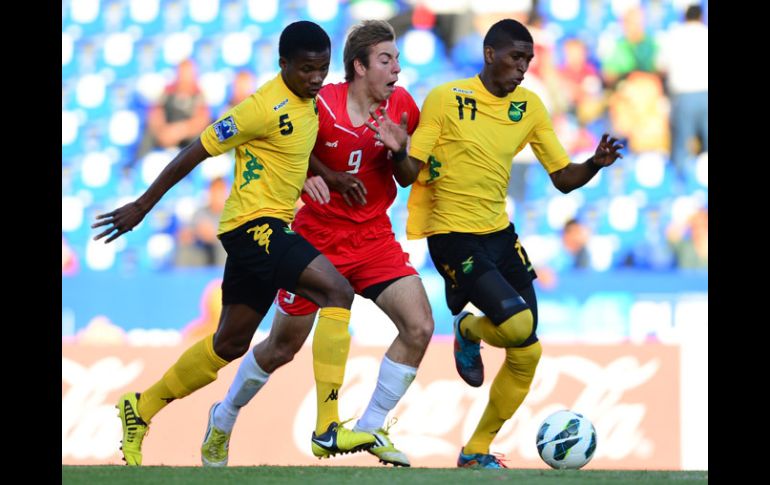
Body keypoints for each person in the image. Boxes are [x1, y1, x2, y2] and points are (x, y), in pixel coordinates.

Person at [91, 21, 374, 466]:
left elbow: (295, 143)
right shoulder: (258, 108)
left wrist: (328, 175)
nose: (317, 78)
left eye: (321, 68)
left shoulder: (307, 101)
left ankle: (140, 408)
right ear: (284, 65)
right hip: (253, 227)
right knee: (336, 290)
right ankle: (328, 426)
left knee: (230, 343)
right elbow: (195, 151)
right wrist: (143, 206)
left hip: (265, 231)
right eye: (307, 70)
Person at [200, 20, 433, 468]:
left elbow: (408, 178)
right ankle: (224, 415)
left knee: (419, 325)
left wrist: (400, 151)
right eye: (387, 60)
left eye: (398, 59)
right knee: (282, 347)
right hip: (317, 238)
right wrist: (312, 175)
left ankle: (369, 426)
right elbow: (287, 144)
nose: (397, 69)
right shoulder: (320, 103)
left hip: (373, 238)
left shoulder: (402, 106)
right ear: (360, 66)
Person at [397, 19, 624, 468]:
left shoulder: (530, 106)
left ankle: (476, 450)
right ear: (489, 54)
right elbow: (408, 173)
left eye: (528, 60)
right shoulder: (447, 98)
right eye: (515, 58)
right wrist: (394, 149)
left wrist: (594, 164)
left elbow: (561, 179)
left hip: (500, 235)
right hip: (452, 236)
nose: (522, 68)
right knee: (518, 327)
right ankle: (466, 329)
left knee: (528, 350)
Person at [656, 4, 708, 179]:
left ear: (685, 17)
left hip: (683, 97)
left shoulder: (674, 35)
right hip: (705, 94)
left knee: (682, 145)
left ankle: (681, 185)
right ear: (701, 17)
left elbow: (660, 67)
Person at [133, 59, 212, 166]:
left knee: (199, 140)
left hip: (186, 135)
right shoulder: (167, 91)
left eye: (188, 74)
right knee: (148, 133)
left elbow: (202, 121)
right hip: (166, 131)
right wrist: (162, 132)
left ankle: (195, 172)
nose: (185, 78)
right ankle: (138, 167)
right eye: (183, 74)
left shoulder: (199, 94)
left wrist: (180, 131)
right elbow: (155, 114)